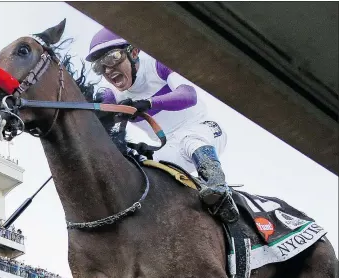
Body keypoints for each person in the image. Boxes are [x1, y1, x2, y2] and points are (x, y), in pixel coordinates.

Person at [86, 27, 239, 224]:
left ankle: (219, 188)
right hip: (168, 147)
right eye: (99, 67)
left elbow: (189, 96)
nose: (108, 70)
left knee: (191, 139)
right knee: (146, 172)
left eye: (112, 58)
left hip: (204, 129)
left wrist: (149, 103)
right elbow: (94, 114)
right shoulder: (113, 96)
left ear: (133, 52)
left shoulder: (158, 65)